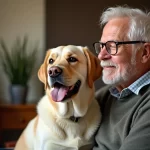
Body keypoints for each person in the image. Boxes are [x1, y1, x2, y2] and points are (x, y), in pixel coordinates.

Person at [92, 6, 150, 150]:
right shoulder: (104, 96)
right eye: (102, 46)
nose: (101, 55)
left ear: (144, 53)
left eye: (112, 46)